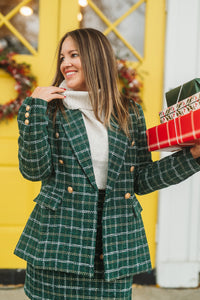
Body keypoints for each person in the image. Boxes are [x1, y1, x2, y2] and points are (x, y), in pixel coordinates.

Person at [14, 28, 200, 300]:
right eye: (63, 57)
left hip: (115, 248)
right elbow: (34, 171)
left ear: (96, 58)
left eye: (74, 55)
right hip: (58, 245)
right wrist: (34, 108)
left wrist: (192, 156)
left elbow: (141, 180)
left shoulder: (128, 112)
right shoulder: (50, 110)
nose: (65, 63)